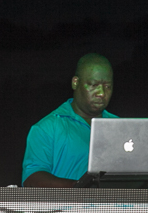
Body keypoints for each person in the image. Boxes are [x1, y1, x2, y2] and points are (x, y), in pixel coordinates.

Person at [22, 53, 116, 187]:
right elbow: (31, 179)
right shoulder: (46, 128)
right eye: (93, 85)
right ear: (75, 82)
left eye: (107, 86)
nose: (101, 93)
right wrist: (80, 187)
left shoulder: (120, 126)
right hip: (67, 201)